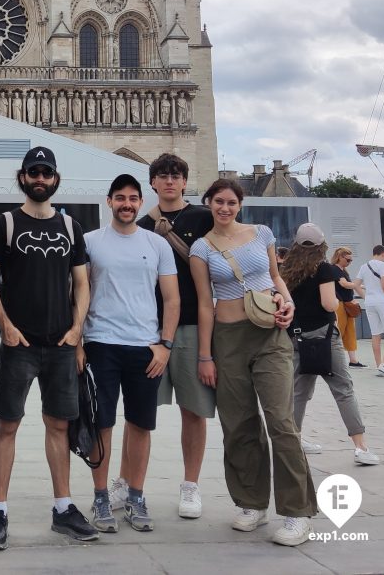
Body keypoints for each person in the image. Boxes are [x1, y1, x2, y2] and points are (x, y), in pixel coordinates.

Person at [0, 147, 95, 549]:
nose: (40, 178)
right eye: (34, 173)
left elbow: (81, 282)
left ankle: (63, 508)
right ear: (23, 177)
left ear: (56, 178)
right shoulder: (4, 224)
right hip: (20, 343)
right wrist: (5, 326)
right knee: (7, 424)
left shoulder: (70, 227)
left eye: (46, 172)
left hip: (60, 344)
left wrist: (77, 329)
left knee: (59, 425)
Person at [190, 178, 316, 547]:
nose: (224, 208)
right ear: (209, 204)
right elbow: (203, 303)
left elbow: (276, 277)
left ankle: (297, 512)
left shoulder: (261, 233)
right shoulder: (201, 248)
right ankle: (251, 502)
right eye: (218, 202)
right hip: (227, 339)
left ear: (239, 204)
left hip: (269, 335)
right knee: (239, 423)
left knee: (281, 421)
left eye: (230, 202)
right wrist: (205, 356)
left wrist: (288, 302)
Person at [83, 174, 179, 535]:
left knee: (140, 424)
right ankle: (101, 496)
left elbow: (172, 298)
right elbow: (78, 293)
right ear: (109, 201)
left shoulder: (157, 244)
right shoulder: (91, 242)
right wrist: (78, 343)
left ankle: (136, 495)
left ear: (141, 203)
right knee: (101, 424)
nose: (126, 204)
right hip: (101, 344)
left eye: (133, 198)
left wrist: (165, 344)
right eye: (120, 197)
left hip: (146, 348)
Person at [131, 153, 214, 519]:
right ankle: (128, 483)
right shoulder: (142, 224)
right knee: (138, 411)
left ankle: (191, 486)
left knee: (193, 410)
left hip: (194, 325)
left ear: (184, 181)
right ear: (152, 183)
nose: (169, 181)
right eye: (162, 176)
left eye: (175, 175)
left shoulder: (204, 218)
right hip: (150, 326)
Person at [281, 223, 380, 466]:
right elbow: (328, 304)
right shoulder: (323, 269)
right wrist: (336, 301)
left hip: (295, 337)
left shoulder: (287, 270)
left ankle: (295, 442)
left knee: (298, 393)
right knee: (343, 390)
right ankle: (360, 447)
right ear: (321, 245)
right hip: (323, 337)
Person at [352, 246, 384, 377]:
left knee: (376, 334)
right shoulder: (383, 265)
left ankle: (379, 365)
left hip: (370, 303)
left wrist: (366, 296)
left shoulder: (364, 266)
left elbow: (356, 285)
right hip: (383, 302)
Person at [329, 247, 365, 368]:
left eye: (351, 260)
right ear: (340, 257)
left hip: (347, 304)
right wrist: (359, 284)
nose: (349, 262)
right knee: (339, 330)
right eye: (348, 260)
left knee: (350, 331)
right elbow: (344, 284)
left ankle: (353, 360)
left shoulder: (343, 270)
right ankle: (333, 359)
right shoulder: (334, 269)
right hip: (339, 304)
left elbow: (349, 286)